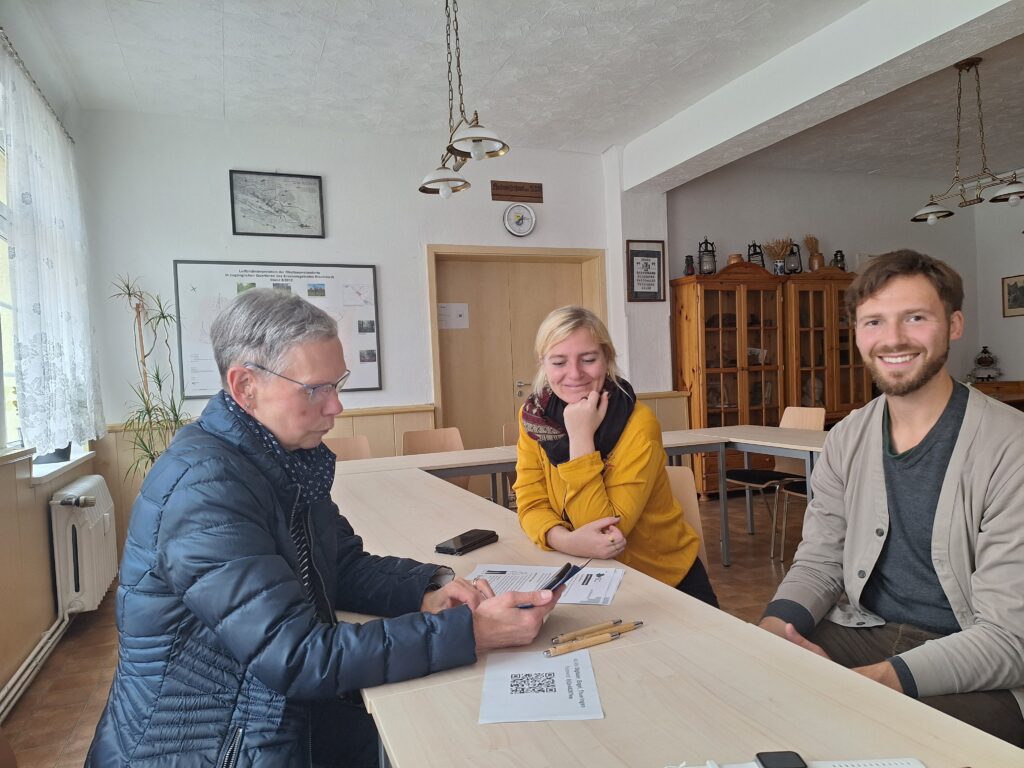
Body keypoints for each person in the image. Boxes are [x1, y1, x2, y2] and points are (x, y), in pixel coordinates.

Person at [87, 289, 559, 767]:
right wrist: (469, 634)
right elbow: (294, 657)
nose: (336, 407)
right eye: (315, 389)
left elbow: (339, 564)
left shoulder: (282, 457)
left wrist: (429, 589)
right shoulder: (206, 489)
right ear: (245, 385)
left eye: (338, 384)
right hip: (209, 745)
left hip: (269, 715)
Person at [759, 250, 1024, 746]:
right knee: (753, 682)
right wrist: (777, 631)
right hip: (869, 629)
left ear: (954, 323)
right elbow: (820, 561)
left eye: (916, 318)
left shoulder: (1012, 448)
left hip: (980, 664)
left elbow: (1011, 639)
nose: (893, 338)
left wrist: (868, 682)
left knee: (858, 737)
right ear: (858, 333)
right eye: (874, 321)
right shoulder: (847, 437)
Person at [513, 305, 718, 606]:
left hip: (663, 582)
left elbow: (605, 531)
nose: (574, 374)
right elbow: (530, 502)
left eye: (588, 359)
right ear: (543, 363)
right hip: (582, 575)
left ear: (607, 358)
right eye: (559, 361)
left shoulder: (639, 422)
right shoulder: (533, 418)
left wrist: (581, 437)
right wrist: (565, 540)